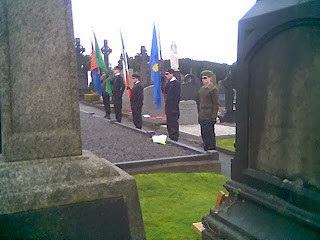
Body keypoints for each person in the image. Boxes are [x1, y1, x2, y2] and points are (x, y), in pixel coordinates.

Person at [196, 70, 220, 151]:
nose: (203, 80)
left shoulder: (213, 89)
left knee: (209, 133)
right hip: (202, 114)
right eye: (202, 78)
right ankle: (206, 148)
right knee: (204, 133)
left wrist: (213, 117)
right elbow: (199, 102)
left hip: (209, 114)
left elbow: (215, 104)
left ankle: (212, 149)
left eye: (205, 78)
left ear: (210, 78)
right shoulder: (201, 89)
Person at [164, 68, 181, 141]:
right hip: (169, 106)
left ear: (172, 74)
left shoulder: (176, 83)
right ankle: (171, 135)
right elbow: (166, 92)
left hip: (173, 106)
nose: (166, 76)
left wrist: (174, 107)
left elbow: (176, 96)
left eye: (167, 74)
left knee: (173, 122)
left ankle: (174, 137)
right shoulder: (169, 83)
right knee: (169, 122)